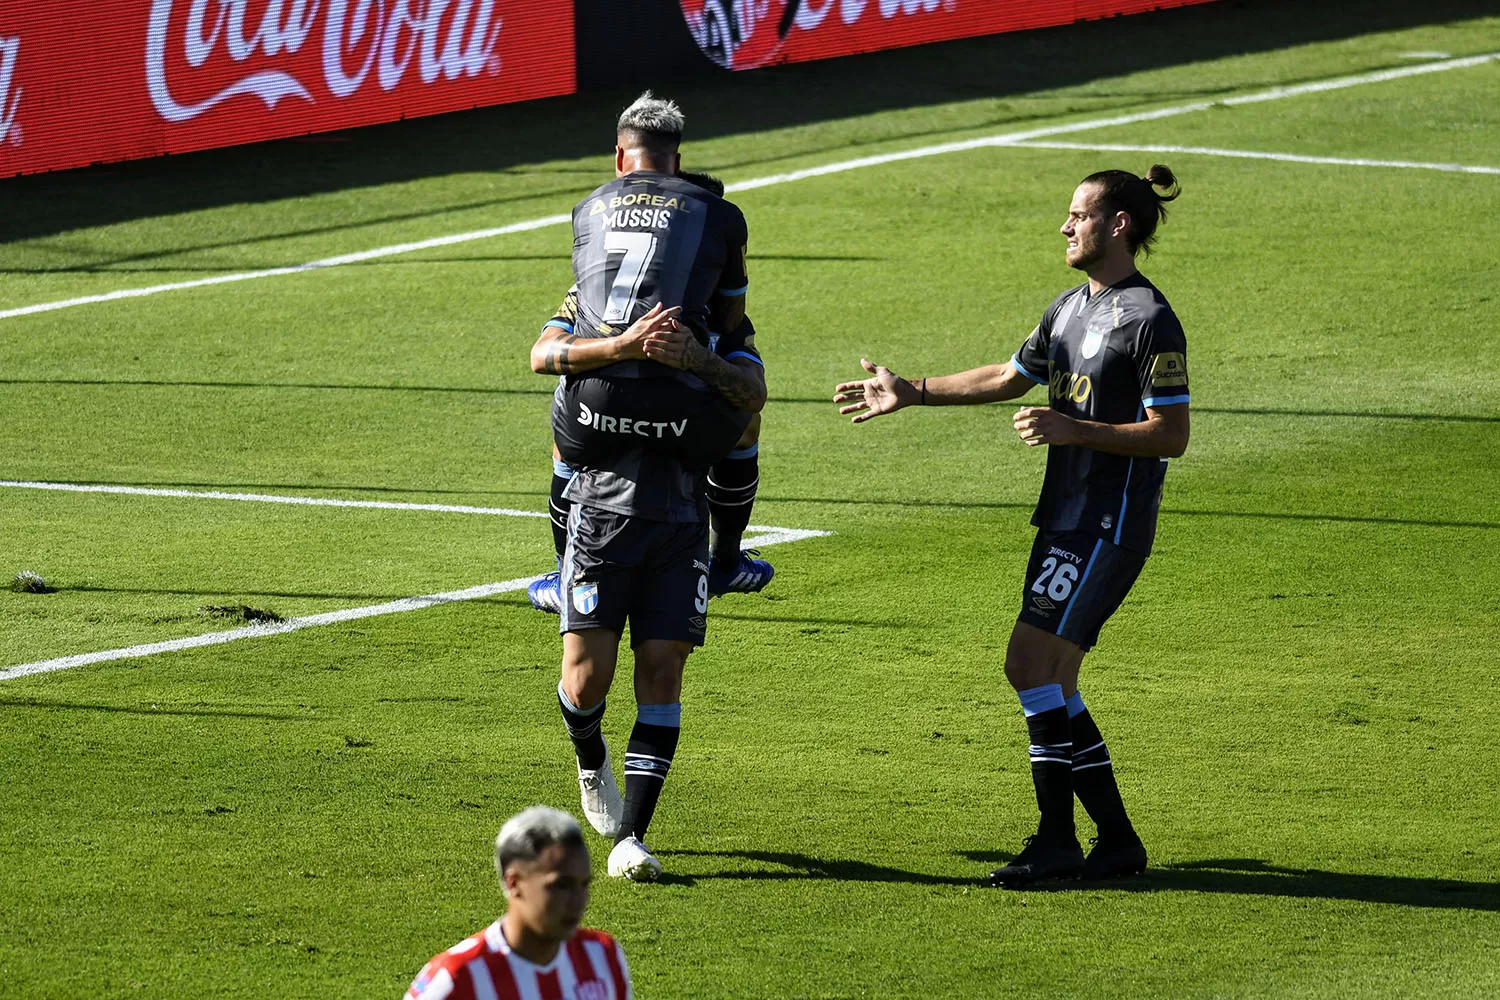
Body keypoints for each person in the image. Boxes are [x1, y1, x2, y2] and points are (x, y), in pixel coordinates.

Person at [834, 165, 1190, 886]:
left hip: (1108, 522)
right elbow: (1009, 375)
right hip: (1066, 517)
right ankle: (1114, 841)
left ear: (1118, 224)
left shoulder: (1150, 320)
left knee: (1030, 665)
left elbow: (1171, 434)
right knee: (1051, 676)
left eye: (1079, 214)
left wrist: (1075, 427)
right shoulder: (1068, 308)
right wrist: (913, 392)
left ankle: (1058, 840)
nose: (1066, 226)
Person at [530, 94, 769, 881]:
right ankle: (588, 752)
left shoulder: (588, 213)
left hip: (663, 501)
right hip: (608, 502)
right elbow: (732, 334)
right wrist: (643, 344)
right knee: (587, 679)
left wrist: (686, 356)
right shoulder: (716, 216)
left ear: (619, 155)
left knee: (661, 666)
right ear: (677, 155)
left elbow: (547, 360)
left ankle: (632, 835)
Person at [527, 174, 772, 615]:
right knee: (747, 425)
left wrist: (611, 351)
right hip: (686, 425)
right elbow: (753, 393)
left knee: (566, 427)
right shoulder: (719, 299)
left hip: (599, 422)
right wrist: (696, 360)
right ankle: (727, 560)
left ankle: (563, 568)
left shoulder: (591, 290)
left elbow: (544, 353)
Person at [404, 806, 631, 999]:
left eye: (584, 885)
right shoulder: (455, 979)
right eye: (561, 885)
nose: (578, 900)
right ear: (514, 883)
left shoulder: (601, 956)